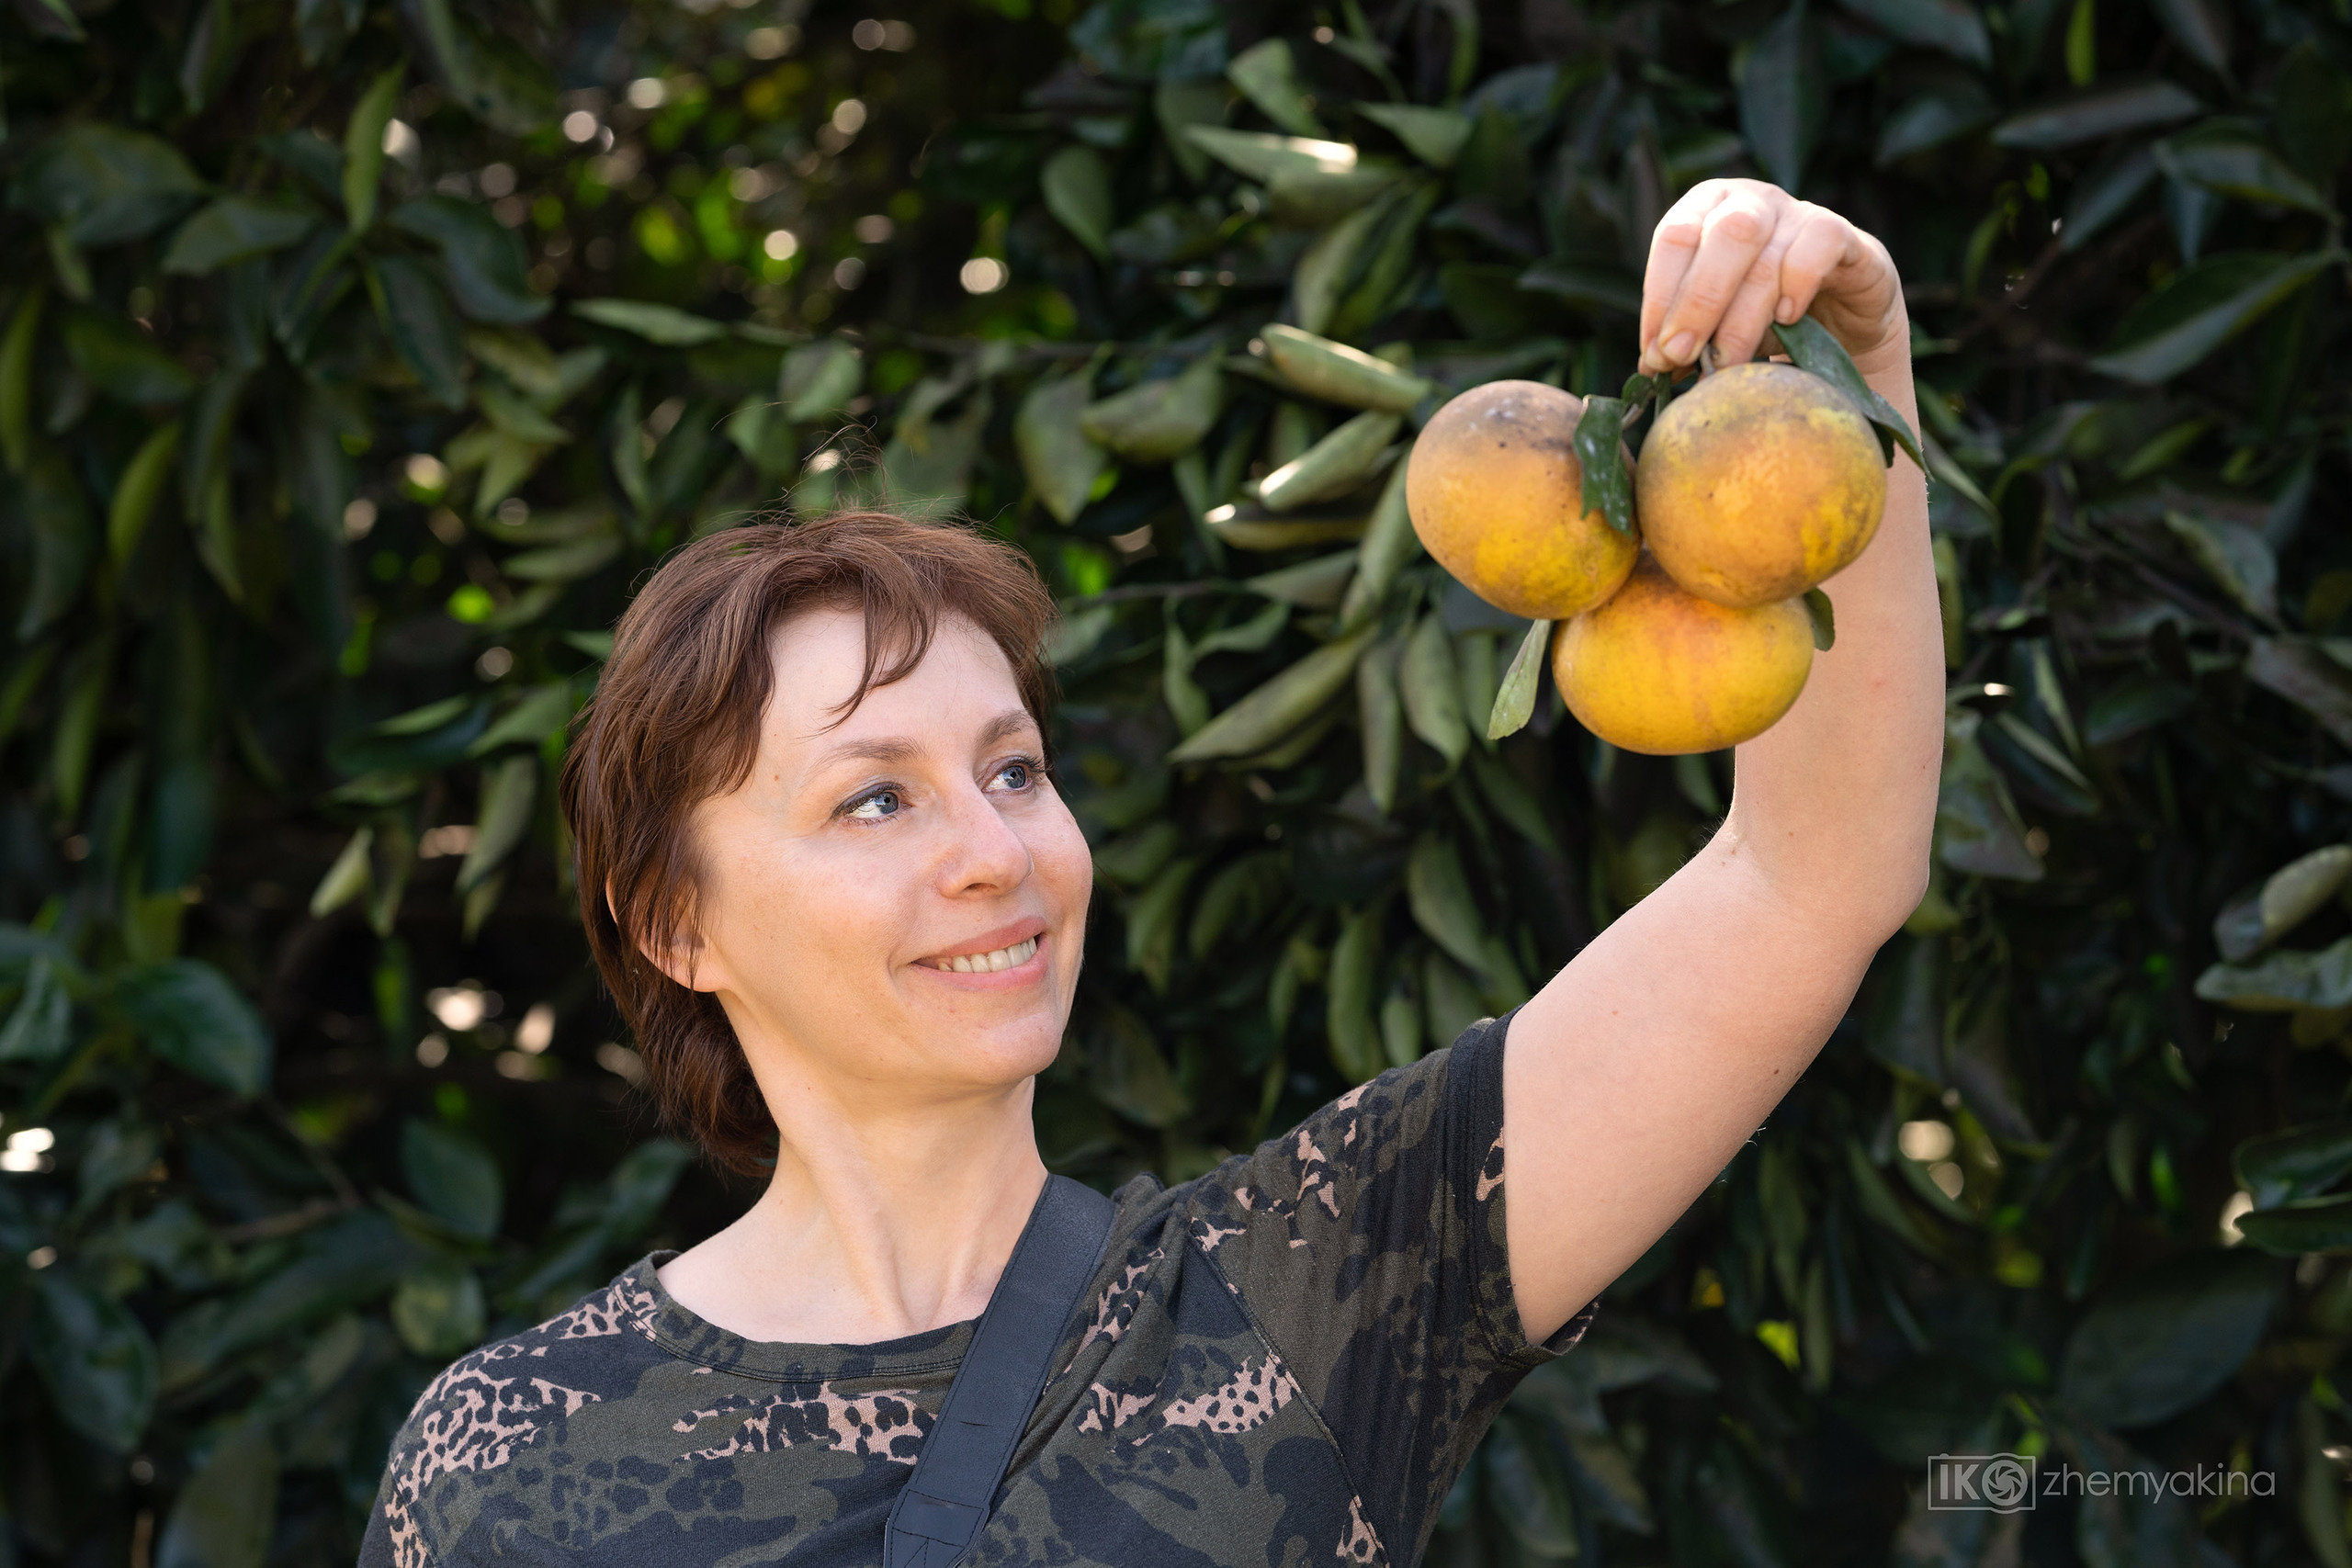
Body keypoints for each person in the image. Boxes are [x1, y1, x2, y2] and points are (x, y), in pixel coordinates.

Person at [360, 179, 1939, 1567]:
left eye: (1014, 772)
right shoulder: (506, 1466)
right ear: (674, 922)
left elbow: (1808, 880)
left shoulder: (1313, 1290)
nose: (997, 855)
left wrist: (1848, 371)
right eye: (875, 800)